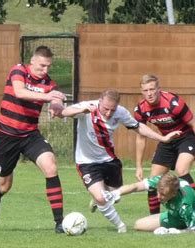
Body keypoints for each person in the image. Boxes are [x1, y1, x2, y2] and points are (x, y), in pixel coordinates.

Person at [61, 89, 182, 233]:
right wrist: (82, 109)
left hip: (110, 161)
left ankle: (97, 197)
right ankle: (120, 226)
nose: (108, 113)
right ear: (100, 101)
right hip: (86, 162)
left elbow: (139, 127)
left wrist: (162, 138)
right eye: (105, 109)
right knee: (102, 198)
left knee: (115, 196)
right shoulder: (88, 107)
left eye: (112, 110)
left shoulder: (121, 112)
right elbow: (65, 112)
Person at [0, 45, 67, 233]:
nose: (45, 70)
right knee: (5, 184)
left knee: (51, 166)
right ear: (32, 61)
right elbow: (19, 92)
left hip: (30, 135)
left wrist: (57, 105)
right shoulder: (19, 70)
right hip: (7, 135)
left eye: (48, 66)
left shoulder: (49, 83)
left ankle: (59, 223)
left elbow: (56, 99)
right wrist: (47, 97)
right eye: (41, 66)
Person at [134, 74, 195, 215]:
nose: (149, 93)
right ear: (141, 92)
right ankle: (155, 219)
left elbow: (194, 124)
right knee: (153, 182)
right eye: (145, 90)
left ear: (159, 89)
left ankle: (191, 210)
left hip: (186, 137)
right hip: (166, 140)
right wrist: (139, 166)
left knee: (181, 170)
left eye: (152, 89)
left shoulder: (173, 103)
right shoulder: (140, 110)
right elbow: (141, 137)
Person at [104, 172, 195, 235]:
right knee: (138, 224)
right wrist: (115, 194)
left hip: (181, 219)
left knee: (141, 225)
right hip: (173, 213)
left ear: (174, 193)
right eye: (158, 192)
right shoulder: (162, 181)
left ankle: (174, 225)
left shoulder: (185, 205)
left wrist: (173, 232)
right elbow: (136, 186)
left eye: (163, 194)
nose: (158, 196)